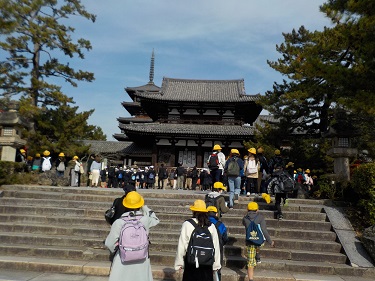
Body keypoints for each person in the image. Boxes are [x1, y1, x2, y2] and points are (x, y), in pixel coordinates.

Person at [105, 191, 160, 281]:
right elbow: (156, 219)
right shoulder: (145, 220)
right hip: (142, 258)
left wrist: (117, 251)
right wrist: (144, 207)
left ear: (125, 205)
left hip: (123, 259)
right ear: (140, 205)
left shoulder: (119, 222)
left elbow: (109, 243)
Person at [174, 199, 221, 281]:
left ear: (193, 211)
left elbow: (182, 245)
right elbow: (216, 246)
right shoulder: (211, 226)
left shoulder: (187, 224)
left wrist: (179, 263)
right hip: (207, 263)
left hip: (191, 263)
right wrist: (216, 265)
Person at [242, 201, 274, 281]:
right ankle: (258, 254)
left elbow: (244, 225)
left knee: (250, 262)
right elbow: (264, 230)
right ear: (257, 210)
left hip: (250, 241)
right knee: (259, 244)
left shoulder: (245, 218)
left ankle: (251, 279)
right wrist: (270, 241)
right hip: (259, 240)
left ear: (247, 210)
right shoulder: (260, 217)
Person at [207, 206, 228, 281]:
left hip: (205, 250)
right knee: (217, 270)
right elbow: (225, 238)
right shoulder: (220, 225)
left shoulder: (203, 223)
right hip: (218, 250)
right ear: (216, 214)